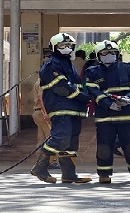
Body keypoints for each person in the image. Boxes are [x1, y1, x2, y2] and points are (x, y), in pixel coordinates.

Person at [30, 33, 92, 184]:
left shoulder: (68, 64)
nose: (66, 48)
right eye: (62, 46)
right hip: (61, 108)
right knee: (60, 137)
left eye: (69, 46)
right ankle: (40, 168)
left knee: (71, 142)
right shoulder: (52, 64)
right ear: (54, 48)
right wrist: (82, 96)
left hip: (74, 109)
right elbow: (61, 87)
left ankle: (69, 174)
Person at [84, 40, 130, 183]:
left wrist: (129, 98)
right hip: (105, 117)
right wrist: (109, 104)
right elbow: (93, 91)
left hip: (128, 115)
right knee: (104, 146)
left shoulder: (129, 69)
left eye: (112, 53)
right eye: (105, 53)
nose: (109, 55)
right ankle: (104, 175)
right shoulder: (93, 72)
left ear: (118, 54)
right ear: (98, 55)